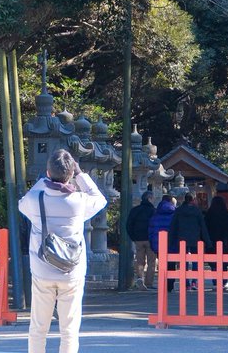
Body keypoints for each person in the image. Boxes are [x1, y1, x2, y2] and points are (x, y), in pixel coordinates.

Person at [18, 148, 107, 353]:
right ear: (70, 174)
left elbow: (22, 203)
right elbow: (100, 199)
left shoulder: (35, 200)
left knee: (38, 327)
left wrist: (43, 180)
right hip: (71, 271)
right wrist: (81, 174)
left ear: (48, 172)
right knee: (69, 329)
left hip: (42, 269)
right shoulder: (79, 201)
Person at [169, 194, 212, 290]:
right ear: (193, 200)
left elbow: (173, 226)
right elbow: (203, 227)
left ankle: (185, 282)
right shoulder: (197, 211)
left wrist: (170, 240)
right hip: (195, 238)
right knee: (196, 260)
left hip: (182, 238)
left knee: (183, 261)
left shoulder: (179, 210)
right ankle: (194, 281)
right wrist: (207, 241)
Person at [147, 194, 178, 292]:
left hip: (159, 243)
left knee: (162, 264)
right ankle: (170, 284)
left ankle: (163, 283)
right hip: (172, 243)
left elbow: (151, 230)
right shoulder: (175, 214)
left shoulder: (155, 214)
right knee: (172, 264)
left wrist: (152, 242)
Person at [126, 190, 156, 289]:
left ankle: (140, 278)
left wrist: (133, 237)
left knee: (139, 260)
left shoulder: (135, 210)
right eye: (152, 198)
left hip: (138, 238)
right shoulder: (153, 211)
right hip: (150, 239)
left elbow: (129, 224)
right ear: (149, 199)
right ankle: (149, 283)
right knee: (151, 261)